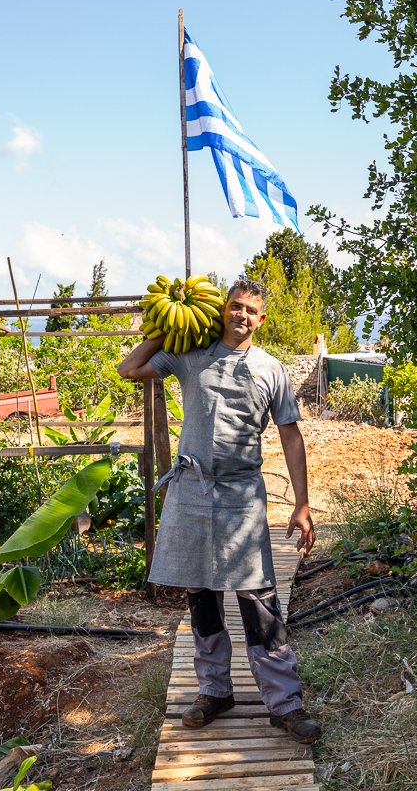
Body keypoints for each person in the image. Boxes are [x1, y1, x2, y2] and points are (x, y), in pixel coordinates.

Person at [117, 277, 321, 744]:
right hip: (191, 491)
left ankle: (285, 704)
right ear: (222, 309)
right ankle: (214, 692)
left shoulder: (272, 370)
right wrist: (165, 331)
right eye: (235, 306)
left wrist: (303, 504)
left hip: (240, 495)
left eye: (250, 310)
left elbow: (291, 435)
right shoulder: (190, 356)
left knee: (258, 600)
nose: (241, 315)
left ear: (261, 319)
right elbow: (130, 368)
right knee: (201, 596)